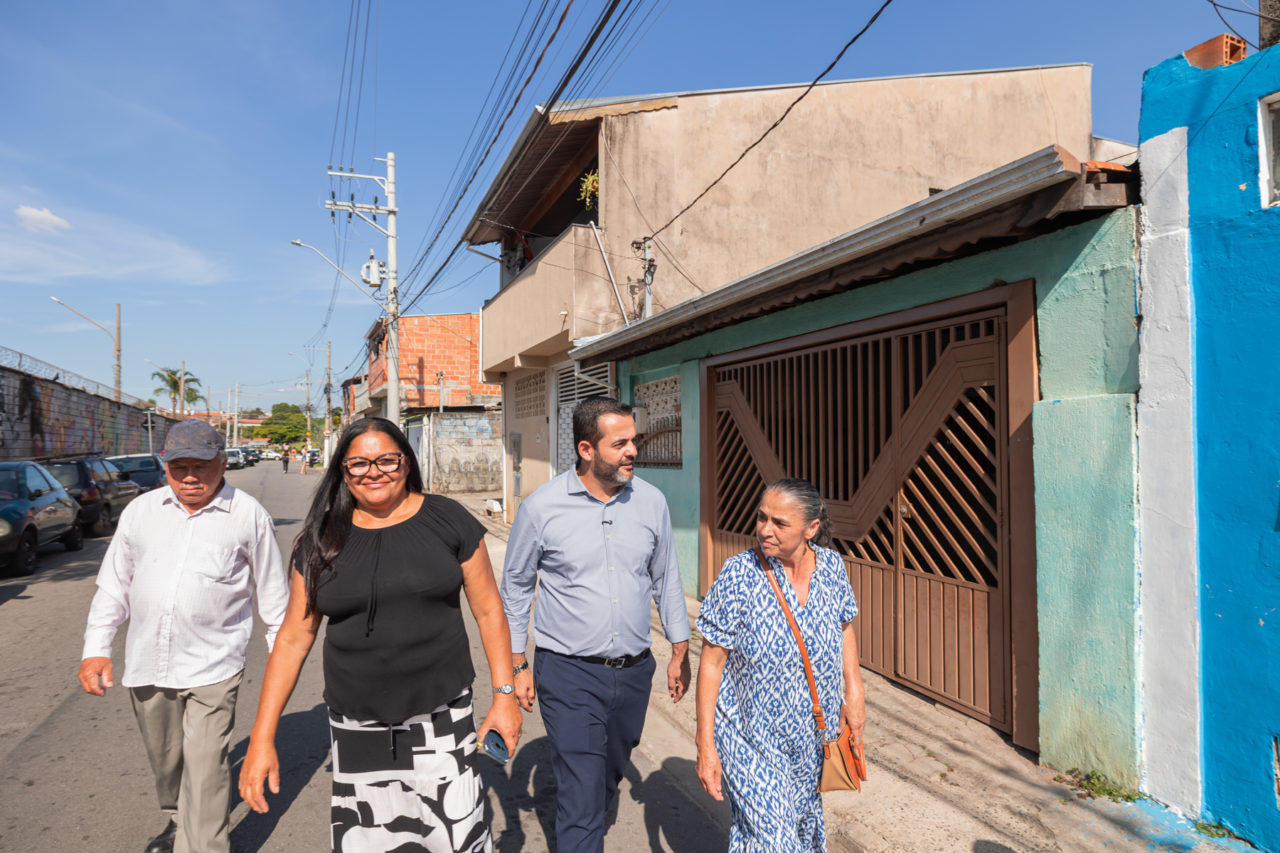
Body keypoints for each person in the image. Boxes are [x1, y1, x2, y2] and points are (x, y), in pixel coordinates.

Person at [239, 417, 521, 853]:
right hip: (357, 730)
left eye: (387, 460)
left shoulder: (447, 519)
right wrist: (262, 737)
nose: (374, 472)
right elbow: (293, 640)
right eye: (359, 463)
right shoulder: (320, 540)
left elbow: (488, 611)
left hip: (442, 719)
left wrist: (504, 697)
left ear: (406, 462)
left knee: (455, 838)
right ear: (343, 470)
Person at [77, 419, 290, 853]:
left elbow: (274, 597)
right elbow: (114, 586)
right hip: (148, 663)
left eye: (201, 466)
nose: (190, 477)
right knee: (168, 760)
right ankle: (179, 819)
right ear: (165, 466)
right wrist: (95, 649)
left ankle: (202, 843)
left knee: (207, 767)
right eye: (179, 468)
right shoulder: (141, 511)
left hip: (215, 665)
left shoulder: (247, 514)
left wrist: (280, 661)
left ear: (222, 463)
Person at [501, 395, 691, 853]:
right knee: (582, 791)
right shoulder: (541, 507)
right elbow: (516, 587)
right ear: (586, 450)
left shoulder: (651, 502)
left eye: (634, 440)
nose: (633, 451)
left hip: (634, 673)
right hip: (568, 673)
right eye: (620, 443)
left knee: (606, 775)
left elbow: (665, 577)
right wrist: (516, 663)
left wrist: (680, 650)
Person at [694, 477, 867, 852]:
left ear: (811, 528)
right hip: (748, 734)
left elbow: (845, 627)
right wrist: (705, 742)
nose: (764, 530)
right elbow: (711, 662)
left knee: (798, 828)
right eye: (761, 517)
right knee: (775, 840)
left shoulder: (831, 567)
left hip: (811, 733)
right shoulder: (739, 575)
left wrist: (854, 692)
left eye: (779, 523)